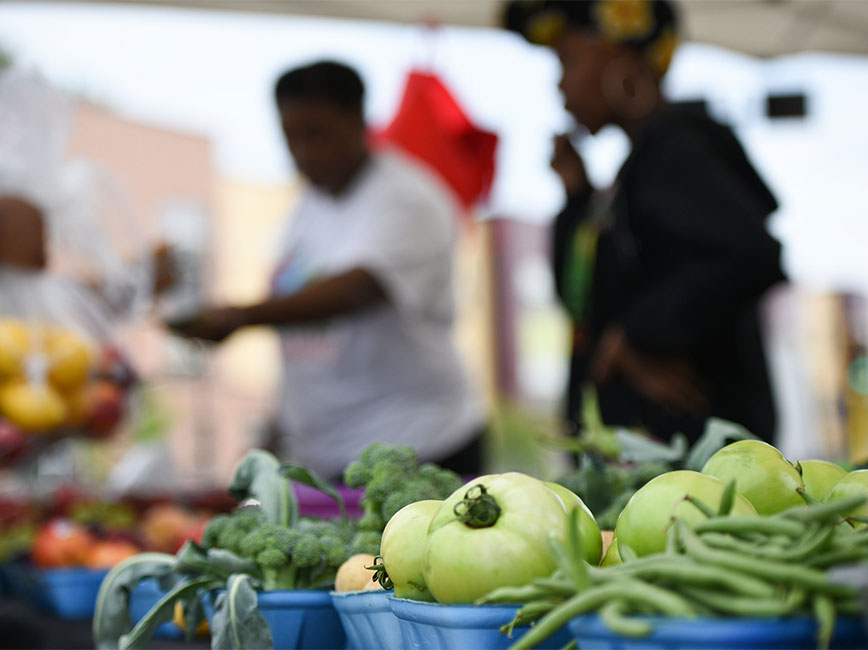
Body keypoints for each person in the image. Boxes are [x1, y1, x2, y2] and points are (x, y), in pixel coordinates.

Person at [172, 61, 486, 480]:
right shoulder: (308, 207)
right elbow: (303, 338)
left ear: (357, 120)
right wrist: (277, 428)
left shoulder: (406, 198)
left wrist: (243, 316)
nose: (303, 152)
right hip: (328, 455)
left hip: (418, 446)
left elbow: (355, 291)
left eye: (316, 134)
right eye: (291, 138)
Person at [504, 0, 786, 443]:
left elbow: (747, 251)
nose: (560, 84)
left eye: (568, 61)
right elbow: (582, 298)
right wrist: (576, 196)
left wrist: (637, 335)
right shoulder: (637, 167)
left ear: (622, 64)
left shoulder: (677, 149)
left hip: (698, 456)